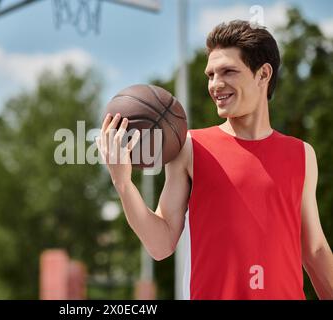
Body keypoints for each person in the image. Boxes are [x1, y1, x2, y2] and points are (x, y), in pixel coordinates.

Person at [96, 20, 333, 300]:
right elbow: (160, 245)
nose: (215, 85)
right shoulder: (191, 147)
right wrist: (123, 184)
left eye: (228, 72)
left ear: (263, 74)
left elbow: (315, 250)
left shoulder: (302, 154)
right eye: (210, 75)